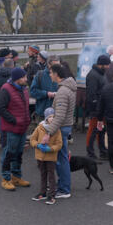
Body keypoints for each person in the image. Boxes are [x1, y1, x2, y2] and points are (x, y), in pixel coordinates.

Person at [44, 63, 76, 199]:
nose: (50, 75)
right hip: (65, 127)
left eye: (51, 73)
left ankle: (64, 189)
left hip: (61, 128)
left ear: (57, 74)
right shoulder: (68, 88)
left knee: (61, 159)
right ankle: (63, 185)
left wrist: (48, 133)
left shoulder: (63, 91)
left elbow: (60, 116)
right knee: (62, 158)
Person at [0, 66, 30, 191]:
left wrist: (27, 120)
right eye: (24, 77)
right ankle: (6, 179)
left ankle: (16, 176)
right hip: (11, 128)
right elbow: (0, 108)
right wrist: (14, 120)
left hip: (22, 127)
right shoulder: (6, 89)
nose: (26, 79)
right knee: (8, 153)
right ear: (17, 78)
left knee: (19, 153)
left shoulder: (24, 89)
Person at [29, 107, 63, 205]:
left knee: (51, 176)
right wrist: (37, 145)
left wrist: (50, 149)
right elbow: (32, 140)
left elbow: (59, 144)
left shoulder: (57, 130)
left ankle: (51, 195)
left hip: (51, 157)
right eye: (50, 116)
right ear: (46, 118)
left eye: (53, 116)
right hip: (40, 157)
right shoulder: (39, 128)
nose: (52, 118)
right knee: (43, 175)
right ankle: (42, 192)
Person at [84, 55, 109, 161]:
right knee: (93, 130)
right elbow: (91, 95)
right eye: (107, 65)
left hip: (102, 108)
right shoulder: (93, 75)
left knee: (101, 130)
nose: (108, 67)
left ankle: (102, 151)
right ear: (101, 64)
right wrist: (95, 111)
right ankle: (90, 153)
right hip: (96, 109)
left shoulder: (101, 74)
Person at [30, 52, 58, 120]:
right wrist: (46, 94)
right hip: (42, 113)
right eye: (55, 65)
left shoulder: (62, 75)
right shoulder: (40, 75)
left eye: (58, 65)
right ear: (48, 64)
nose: (58, 68)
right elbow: (33, 92)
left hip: (58, 114)